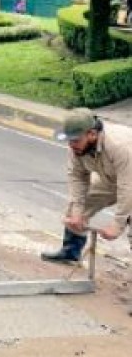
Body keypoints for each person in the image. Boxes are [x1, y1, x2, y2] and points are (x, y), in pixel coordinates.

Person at [40, 110, 132, 313]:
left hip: (129, 179)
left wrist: (117, 224)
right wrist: (78, 213)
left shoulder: (119, 146)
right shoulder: (77, 148)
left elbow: (128, 188)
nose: (71, 145)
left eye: (75, 140)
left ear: (92, 134)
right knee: (77, 207)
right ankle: (70, 252)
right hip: (112, 179)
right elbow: (77, 178)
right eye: (69, 141)